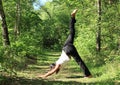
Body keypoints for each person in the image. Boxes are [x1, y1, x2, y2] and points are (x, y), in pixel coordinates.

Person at [38, 9, 92, 79]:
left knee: (79, 61)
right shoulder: (58, 62)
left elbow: (52, 71)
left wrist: (44, 76)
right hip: (66, 47)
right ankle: (72, 18)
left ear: (54, 66)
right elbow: (53, 70)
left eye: (52, 68)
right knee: (71, 33)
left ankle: (88, 75)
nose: (53, 70)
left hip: (68, 50)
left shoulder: (58, 65)